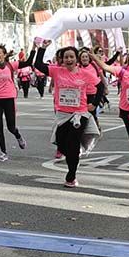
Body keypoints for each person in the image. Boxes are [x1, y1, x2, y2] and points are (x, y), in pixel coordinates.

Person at [34, 39, 101, 188]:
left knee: (72, 143)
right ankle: (73, 154)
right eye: (66, 57)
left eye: (71, 57)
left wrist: (94, 104)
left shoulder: (85, 74)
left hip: (79, 114)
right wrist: (42, 49)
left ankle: (71, 176)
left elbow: (100, 85)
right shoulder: (57, 71)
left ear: (76, 59)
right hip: (62, 114)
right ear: (62, 60)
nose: (69, 59)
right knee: (62, 143)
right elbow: (38, 65)